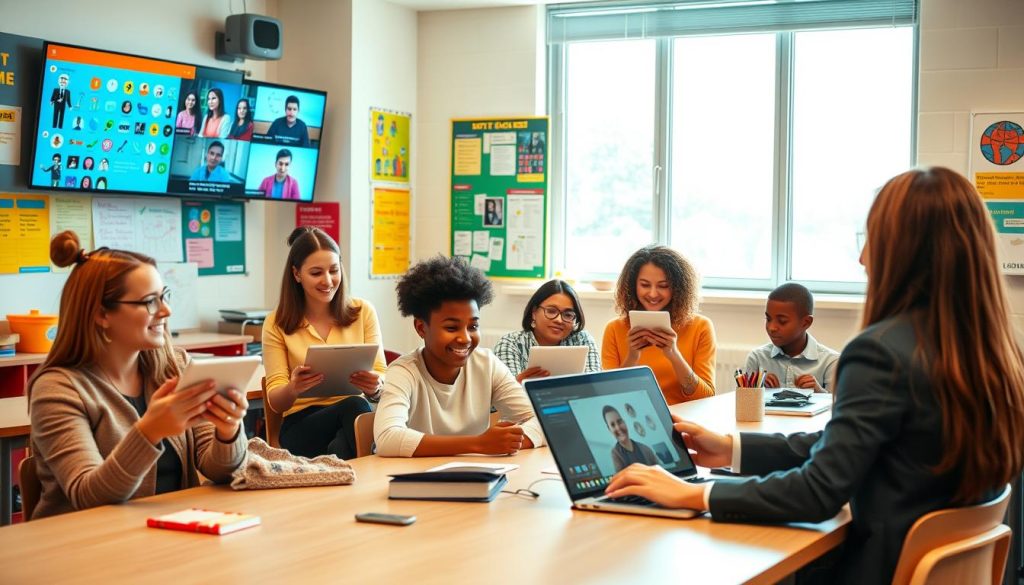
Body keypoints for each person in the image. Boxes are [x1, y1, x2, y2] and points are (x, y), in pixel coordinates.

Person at [604, 167, 1024, 584]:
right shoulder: (993, 350)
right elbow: (842, 446)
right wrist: (731, 449)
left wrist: (695, 493)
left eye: (872, 240)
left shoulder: (880, 352)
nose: (862, 259)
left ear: (907, 251)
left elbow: (818, 491)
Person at [27, 230, 247, 519]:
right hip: (85, 547)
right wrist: (150, 430)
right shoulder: (57, 389)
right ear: (101, 314)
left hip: (166, 534)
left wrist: (228, 431)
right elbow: (87, 495)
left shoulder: (175, 365)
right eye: (149, 301)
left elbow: (218, 471)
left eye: (164, 296)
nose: (166, 310)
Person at [373, 256, 546, 457]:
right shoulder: (403, 371)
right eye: (451, 327)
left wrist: (509, 442)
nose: (465, 338)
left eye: (473, 326)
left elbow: (543, 420)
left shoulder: (487, 364)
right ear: (421, 327)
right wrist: (479, 444)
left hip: (476, 476)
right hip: (418, 481)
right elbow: (387, 439)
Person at [263, 227, 386, 460]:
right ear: (296, 274)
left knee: (342, 444)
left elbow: (381, 374)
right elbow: (276, 403)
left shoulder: (363, 312)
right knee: (354, 408)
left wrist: (376, 386)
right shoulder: (276, 322)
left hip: (352, 420)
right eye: (316, 273)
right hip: (302, 425)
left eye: (333, 270)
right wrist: (293, 388)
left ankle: (340, 465)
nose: (328, 281)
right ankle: (371, 477)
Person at [601, 245, 716, 404]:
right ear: (633, 286)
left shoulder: (700, 327)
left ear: (677, 288)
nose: (653, 294)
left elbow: (706, 397)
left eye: (663, 286)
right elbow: (608, 396)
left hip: (682, 421)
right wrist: (632, 357)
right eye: (645, 285)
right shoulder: (614, 329)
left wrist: (673, 354)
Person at [493, 279, 600, 383]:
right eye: (551, 311)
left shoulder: (582, 340)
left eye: (568, 315)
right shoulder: (510, 343)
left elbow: (594, 386)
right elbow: (506, 395)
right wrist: (517, 384)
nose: (559, 320)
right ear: (534, 312)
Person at [745, 282, 839, 392]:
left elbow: (837, 407)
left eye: (782, 321)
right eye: (768, 319)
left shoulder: (830, 362)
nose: (772, 327)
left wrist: (818, 392)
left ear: (806, 323)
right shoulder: (757, 359)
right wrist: (762, 393)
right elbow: (745, 405)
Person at [603, 405, 657, 472]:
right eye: (613, 425)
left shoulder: (646, 449)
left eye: (619, 422)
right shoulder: (615, 455)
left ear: (624, 422)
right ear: (609, 429)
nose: (618, 428)